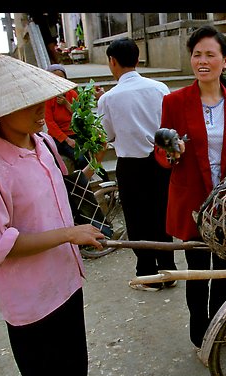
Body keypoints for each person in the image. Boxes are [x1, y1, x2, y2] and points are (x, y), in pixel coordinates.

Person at [0, 53, 106, 376]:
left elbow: (64, 191)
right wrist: (70, 234)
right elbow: (1, 245)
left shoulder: (44, 144)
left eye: (40, 99)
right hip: (31, 304)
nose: (41, 108)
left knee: (76, 372)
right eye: (27, 103)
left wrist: (94, 156)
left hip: (67, 284)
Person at [154, 25, 226, 363]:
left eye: (210, 55)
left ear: (225, 61)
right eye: (197, 54)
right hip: (192, 202)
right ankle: (200, 334)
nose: (203, 61)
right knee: (198, 272)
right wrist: (172, 154)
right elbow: (161, 150)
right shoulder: (174, 102)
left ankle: (222, 327)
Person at [97, 37, 177, 291]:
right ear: (137, 58)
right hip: (160, 162)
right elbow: (169, 125)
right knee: (161, 215)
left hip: (130, 166)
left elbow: (106, 136)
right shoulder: (159, 88)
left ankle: (146, 272)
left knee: (137, 220)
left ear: (113, 61)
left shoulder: (108, 99)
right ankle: (169, 269)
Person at [44, 64, 108, 180]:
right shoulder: (48, 99)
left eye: (62, 78)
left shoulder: (71, 94)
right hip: (60, 137)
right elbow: (50, 123)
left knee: (93, 153)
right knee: (81, 159)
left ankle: (106, 181)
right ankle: (83, 182)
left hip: (75, 133)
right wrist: (67, 139)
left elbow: (79, 114)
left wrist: (66, 104)